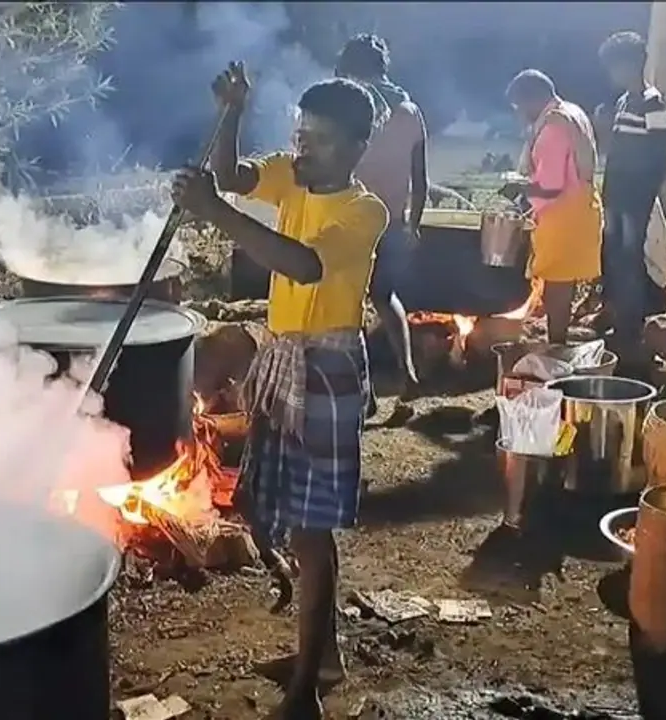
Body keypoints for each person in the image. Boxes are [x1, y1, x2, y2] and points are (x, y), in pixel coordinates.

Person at [172, 63, 386, 720]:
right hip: (283, 358)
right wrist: (233, 110)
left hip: (326, 371)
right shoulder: (290, 176)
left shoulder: (362, 211)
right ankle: (321, 654)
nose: (302, 148)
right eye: (299, 133)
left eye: (318, 139)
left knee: (313, 530)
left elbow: (303, 263)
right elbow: (232, 175)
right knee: (283, 517)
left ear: (354, 147)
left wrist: (214, 213)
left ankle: (306, 692)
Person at [334, 34, 428, 422]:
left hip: (352, 218)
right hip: (392, 218)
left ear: (351, 68)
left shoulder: (352, 108)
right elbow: (420, 177)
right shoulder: (409, 108)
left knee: (347, 305)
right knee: (385, 296)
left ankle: (367, 393)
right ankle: (406, 373)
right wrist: (414, 222)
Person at [500, 70, 603, 346]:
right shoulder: (571, 112)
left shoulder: (553, 129)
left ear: (532, 98)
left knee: (557, 286)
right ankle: (558, 340)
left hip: (564, 214)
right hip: (580, 206)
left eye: (519, 106)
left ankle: (557, 346)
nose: (520, 113)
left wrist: (519, 189)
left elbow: (551, 187)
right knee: (562, 284)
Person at [597, 31, 666, 365]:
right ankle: (616, 316)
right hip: (616, 194)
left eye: (616, 66)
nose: (612, 74)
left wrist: (645, 193)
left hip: (634, 198)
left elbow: (663, 152)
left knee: (629, 260)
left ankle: (630, 328)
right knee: (613, 256)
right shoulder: (623, 102)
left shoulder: (652, 102)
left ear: (634, 64)